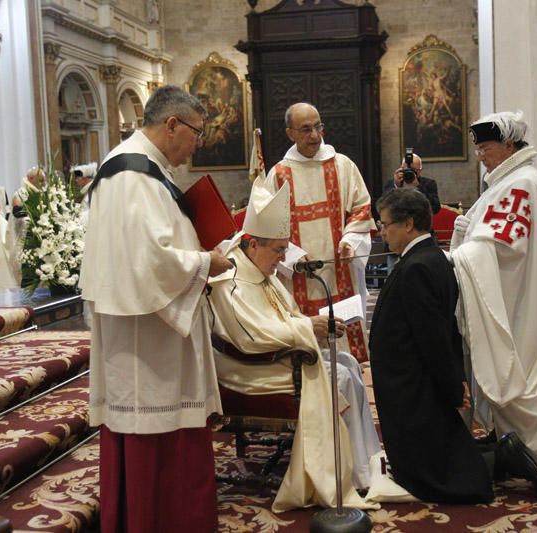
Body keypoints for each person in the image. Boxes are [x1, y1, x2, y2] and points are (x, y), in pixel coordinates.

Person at [78, 85, 233, 533]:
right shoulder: (133, 176)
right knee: (157, 449)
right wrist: (208, 263)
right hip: (148, 342)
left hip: (151, 334)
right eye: (197, 133)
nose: (197, 144)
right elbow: (151, 261)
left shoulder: (141, 169)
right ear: (172, 125)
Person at [370, 188, 537, 503]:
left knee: (429, 469)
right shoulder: (430, 257)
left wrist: (452, 386)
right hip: (415, 379)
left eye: (385, 224)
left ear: (409, 223)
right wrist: (455, 379)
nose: (381, 232)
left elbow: (433, 337)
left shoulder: (417, 268)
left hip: (411, 383)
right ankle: (500, 451)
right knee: (435, 448)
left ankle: (504, 458)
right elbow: (444, 328)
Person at [208, 180, 379, 511]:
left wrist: (309, 323)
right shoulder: (230, 279)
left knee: (347, 363)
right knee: (338, 378)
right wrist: (306, 327)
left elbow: (283, 316)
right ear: (253, 244)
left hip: (275, 359)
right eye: (278, 250)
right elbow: (250, 336)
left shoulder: (260, 268)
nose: (284, 257)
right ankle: (340, 474)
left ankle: (363, 466)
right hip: (246, 373)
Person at [450, 111, 537, 464]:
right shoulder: (511, 178)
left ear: (510, 144)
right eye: (477, 147)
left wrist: (457, 256)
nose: (480, 154)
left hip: (513, 294)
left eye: (486, 147)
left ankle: (522, 448)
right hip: (513, 288)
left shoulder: (520, 183)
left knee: (514, 359)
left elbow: (500, 246)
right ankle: (509, 437)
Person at [252, 102, 375, 361]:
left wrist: (351, 240)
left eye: (318, 127)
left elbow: (362, 208)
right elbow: (265, 226)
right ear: (290, 133)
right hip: (298, 275)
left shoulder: (343, 166)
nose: (315, 135)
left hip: (339, 269)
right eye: (306, 129)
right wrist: (292, 255)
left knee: (345, 357)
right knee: (309, 356)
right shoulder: (278, 175)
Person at [71, 162, 97, 227]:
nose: (76, 181)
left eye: (78, 178)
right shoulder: (89, 190)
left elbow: (93, 212)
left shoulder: (93, 191)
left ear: (85, 178)